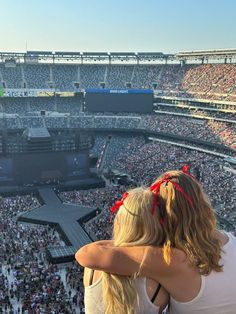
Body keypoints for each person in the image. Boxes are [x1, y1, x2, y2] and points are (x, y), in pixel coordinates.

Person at [76, 169, 236, 314]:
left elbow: (86, 254)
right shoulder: (231, 239)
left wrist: (132, 240)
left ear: (165, 217)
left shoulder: (173, 260)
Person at [77, 187, 169, 314]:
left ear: (119, 221)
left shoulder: (92, 268)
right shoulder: (159, 286)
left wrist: (121, 243)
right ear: (155, 226)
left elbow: (86, 250)